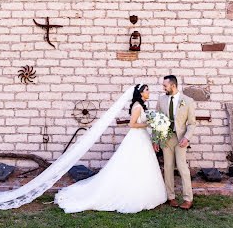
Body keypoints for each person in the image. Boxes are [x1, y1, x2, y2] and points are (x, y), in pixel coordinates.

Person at [54, 84, 167, 213]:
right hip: (137, 138)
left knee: (142, 164)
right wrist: (149, 123)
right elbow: (132, 124)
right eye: (147, 90)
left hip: (142, 137)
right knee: (135, 164)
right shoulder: (137, 106)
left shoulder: (140, 105)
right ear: (141, 93)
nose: (149, 92)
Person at [154, 75, 196, 210]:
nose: (163, 88)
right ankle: (170, 197)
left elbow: (191, 123)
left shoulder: (188, 101)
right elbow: (156, 120)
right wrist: (155, 139)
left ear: (173, 86)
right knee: (168, 167)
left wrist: (187, 137)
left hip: (181, 139)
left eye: (165, 86)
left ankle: (188, 199)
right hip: (166, 138)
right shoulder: (161, 99)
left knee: (183, 168)